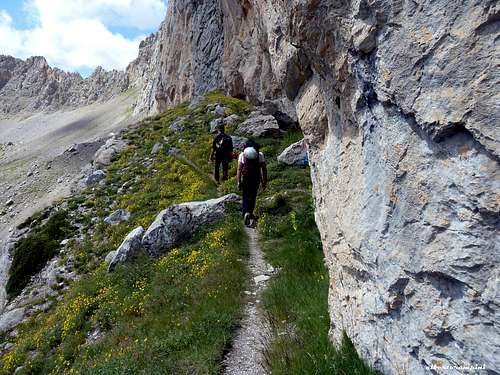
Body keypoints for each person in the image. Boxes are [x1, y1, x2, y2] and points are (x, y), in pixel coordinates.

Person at [237, 140, 267, 227]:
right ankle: (250, 212)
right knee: (253, 196)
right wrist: (264, 181)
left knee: (245, 195)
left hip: (246, 178)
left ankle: (245, 212)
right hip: (256, 178)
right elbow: (264, 169)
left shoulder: (243, 155)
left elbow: (239, 169)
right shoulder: (260, 155)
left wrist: (238, 181)